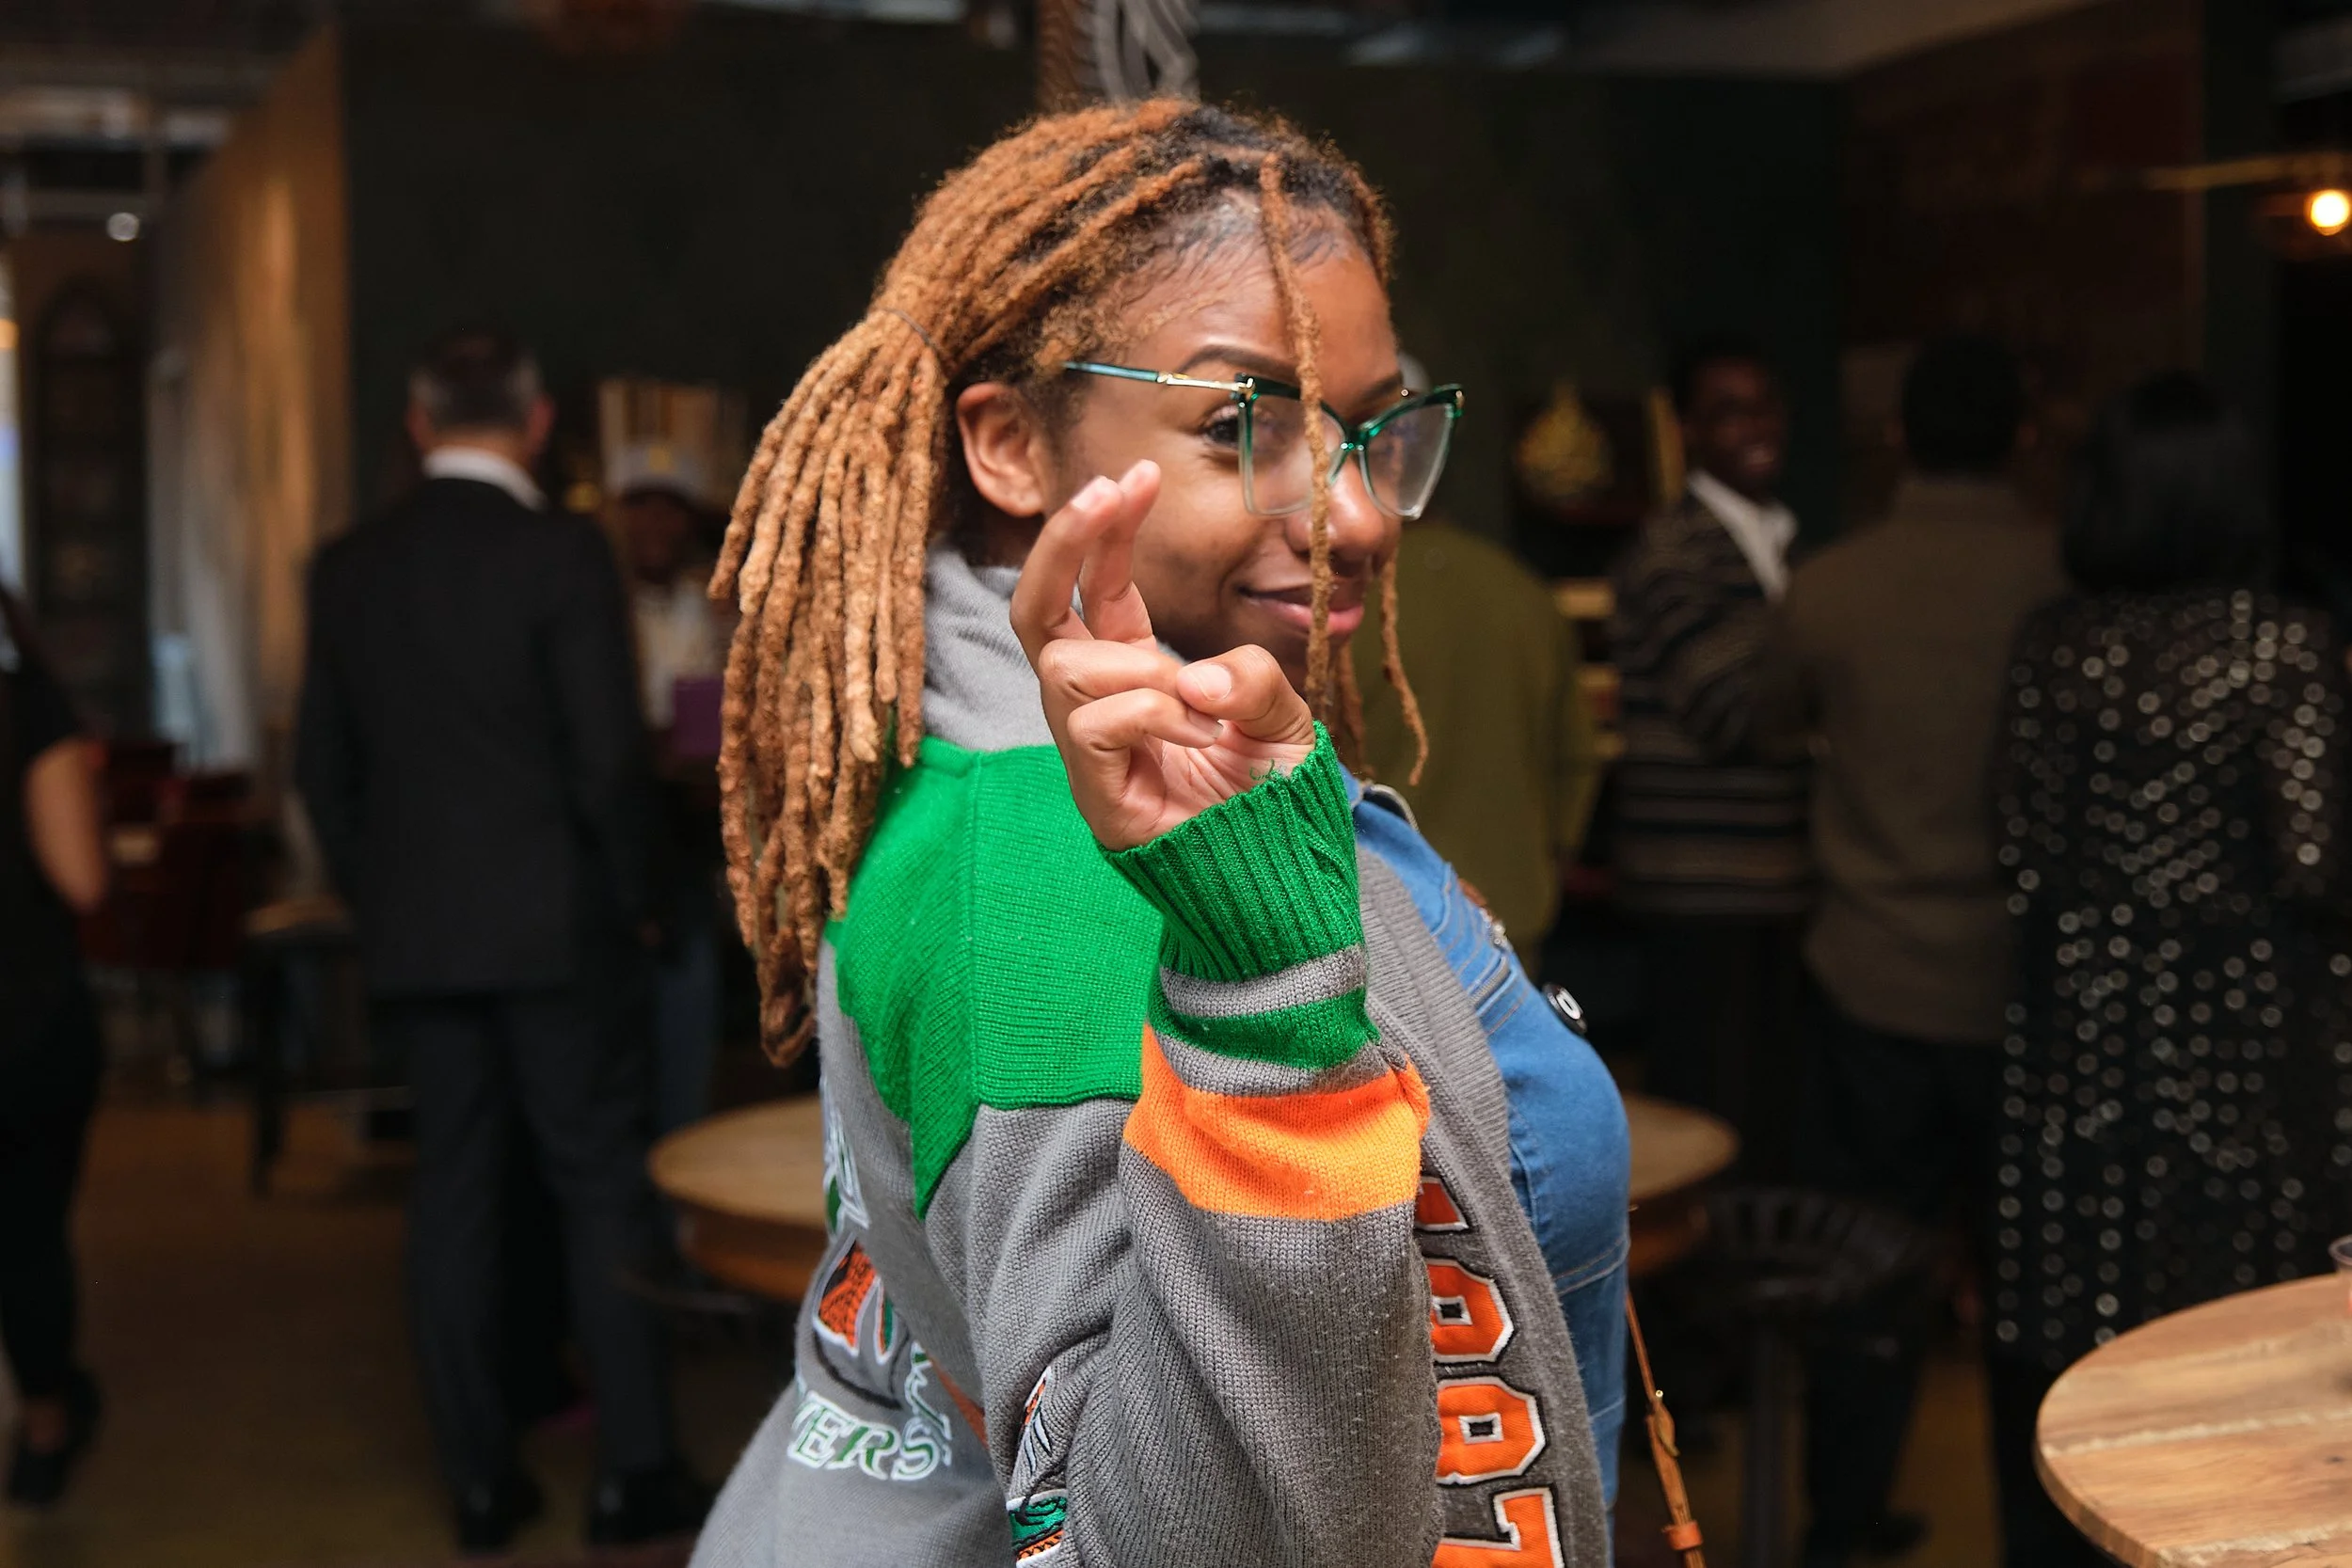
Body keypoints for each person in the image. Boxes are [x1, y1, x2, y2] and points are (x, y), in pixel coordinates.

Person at [691, 102, 1630, 1568]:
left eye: (1372, 429)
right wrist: (1267, 997)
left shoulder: (1168, 756)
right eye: (1245, 422)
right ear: (1011, 445)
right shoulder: (1045, 868)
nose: (1358, 513)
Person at [294, 329, 704, 1552]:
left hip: (422, 937)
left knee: (453, 1193)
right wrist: (640, 898)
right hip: (560, 933)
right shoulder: (561, 552)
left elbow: (322, 769)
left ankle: (478, 1481)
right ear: (534, 426)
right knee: (598, 1185)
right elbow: (606, 760)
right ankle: (634, 1473)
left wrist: (383, 897)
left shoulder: (349, 565)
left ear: (420, 424)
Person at [1990, 372, 2347, 1567]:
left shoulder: (2052, 639)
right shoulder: (2278, 641)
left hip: (2080, 1023)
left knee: (2075, 1327)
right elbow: (2311, 861)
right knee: (2240, 1343)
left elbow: (2016, 848)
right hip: (2241, 1027)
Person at [1767, 336, 2066, 1568]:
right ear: (2023, 437)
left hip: (1870, 973)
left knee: (1865, 1275)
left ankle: (1842, 1522)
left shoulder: (1833, 586)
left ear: (1898, 437)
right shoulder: (2064, 579)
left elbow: (1755, 717)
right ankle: (2041, 1532)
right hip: (2022, 989)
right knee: (2031, 1288)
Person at [1609, 337, 1811, 1171]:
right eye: (1728, 412)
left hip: (1780, 876)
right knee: (1708, 1120)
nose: (1754, 428)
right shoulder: (1673, 549)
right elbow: (1729, 707)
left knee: (1775, 1118)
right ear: (1688, 429)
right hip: (1699, 884)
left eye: (1764, 407)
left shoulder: (1786, 543)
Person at [1349, 485, 1602, 963]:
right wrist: (1548, 863)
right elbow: (1576, 758)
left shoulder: (1340, 603)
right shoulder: (1525, 591)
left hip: (1378, 920)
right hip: (1511, 911)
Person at [0, 591, 106, 1508]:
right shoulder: (26, 704)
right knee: (28, 1233)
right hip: (24, 1016)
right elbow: (80, 878)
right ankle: (44, 1429)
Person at [611, 443, 730, 1137]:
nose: (655, 525)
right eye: (641, 508)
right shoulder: (594, 605)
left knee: (686, 1007)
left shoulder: (709, 607)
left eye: (669, 510)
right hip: (616, 828)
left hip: (687, 831)